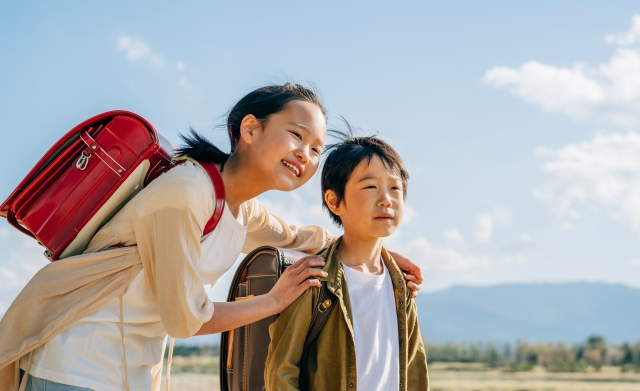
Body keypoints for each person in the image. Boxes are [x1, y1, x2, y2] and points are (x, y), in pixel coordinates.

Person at [0, 83, 423, 391]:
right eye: (296, 134)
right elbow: (184, 317)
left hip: (127, 371)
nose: (305, 156)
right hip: (75, 364)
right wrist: (274, 301)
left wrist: (379, 254)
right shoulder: (186, 193)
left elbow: (303, 237)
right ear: (250, 129)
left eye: (315, 149)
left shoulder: (239, 207)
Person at [265, 132, 429, 391]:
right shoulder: (313, 279)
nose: (386, 198)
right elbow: (281, 372)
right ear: (334, 201)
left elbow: (413, 370)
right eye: (370, 186)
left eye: (395, 188)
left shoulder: (402, 285)